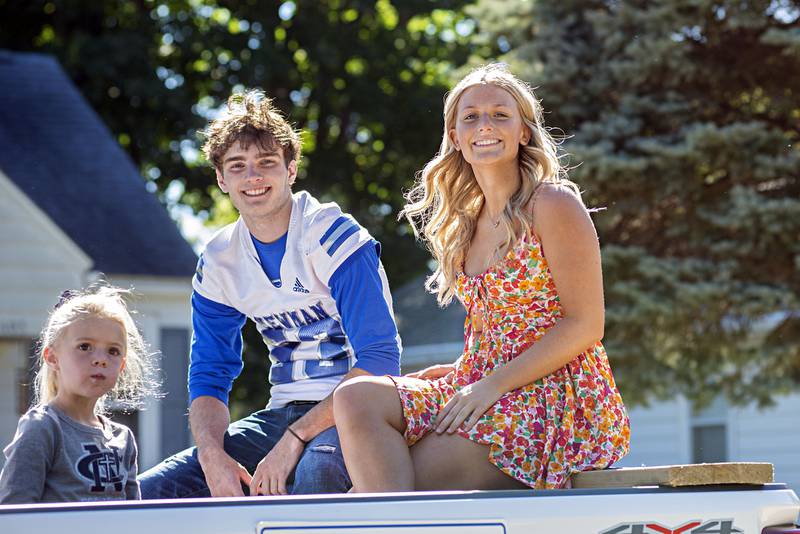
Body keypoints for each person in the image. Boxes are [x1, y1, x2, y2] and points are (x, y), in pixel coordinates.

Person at [333, 64, 630, 491]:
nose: (484, 125)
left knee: (378, 488)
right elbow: (498, 330)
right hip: (481, 383)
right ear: (455, 137)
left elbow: (585, 325)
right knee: (355, 397)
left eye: (499, 114)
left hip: (553, 398)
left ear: (523, 132)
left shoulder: (552, 203)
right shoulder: (466, 226)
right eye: (470, 117)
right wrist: (459, 370)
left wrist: (490, 385)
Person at [139, 90, 401, 498]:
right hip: (280, 416)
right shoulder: (220, 260)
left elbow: (381, 359)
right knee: (157, 489)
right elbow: (210, 374)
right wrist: (211, 455)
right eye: (237, 166)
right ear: (221, 180)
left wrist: (293, 441)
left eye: (266, 163)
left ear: (291, 170)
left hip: (356, 411)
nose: (253, 177)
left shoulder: (331, 235)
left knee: (315, 474)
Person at [0, 285, 157, 503]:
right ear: (52, 357)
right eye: (85, 346)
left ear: (121, 366)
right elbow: (14, 513)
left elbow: (133, 517)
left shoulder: (123, 438)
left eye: (113, 351)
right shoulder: (43, 427)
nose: (100, 359)